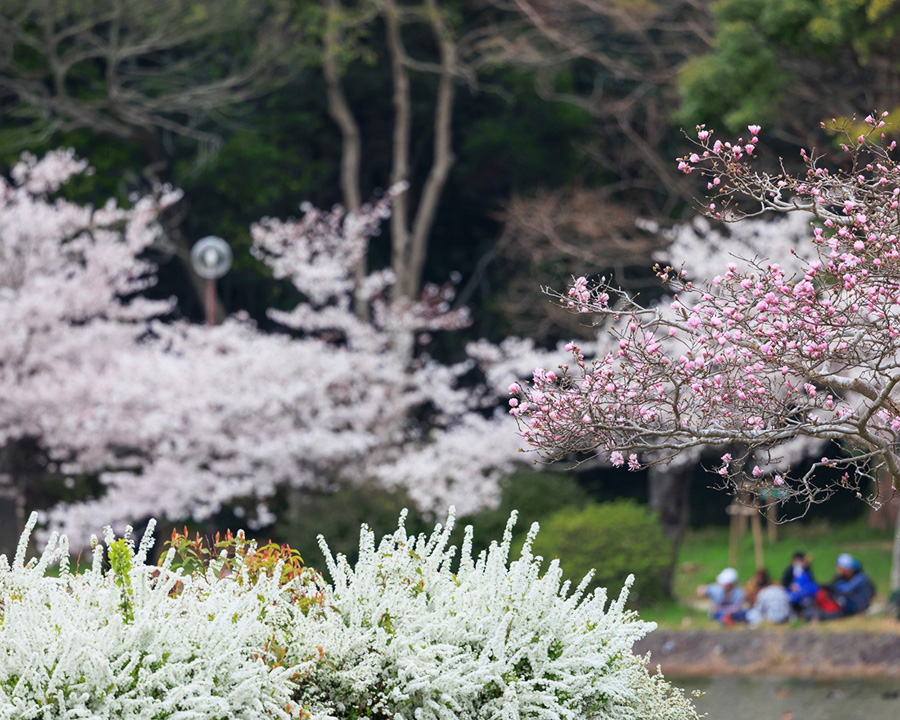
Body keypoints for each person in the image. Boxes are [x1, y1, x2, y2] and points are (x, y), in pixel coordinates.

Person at [813, 553, 875, 620]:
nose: (838, 570)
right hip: (851, 604)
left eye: (839, 568)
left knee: (836, 611)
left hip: (858, 606)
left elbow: (844, 590)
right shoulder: (846, 578)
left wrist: (834, 583)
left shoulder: (860, 578)